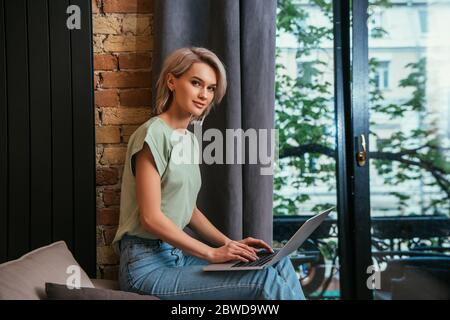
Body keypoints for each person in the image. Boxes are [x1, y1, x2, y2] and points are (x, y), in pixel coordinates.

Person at [112, 47, 306, 300]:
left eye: (211, 88)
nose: (204, 95)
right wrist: (210, 253)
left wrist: (228, 244)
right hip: (144, 267)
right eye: (196, 83)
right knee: (263, 280)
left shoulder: (189, 140)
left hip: (176, 256)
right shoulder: (152, 134)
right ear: (172, 81)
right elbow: (150, 218)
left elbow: (187, 209)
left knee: (274, 262)